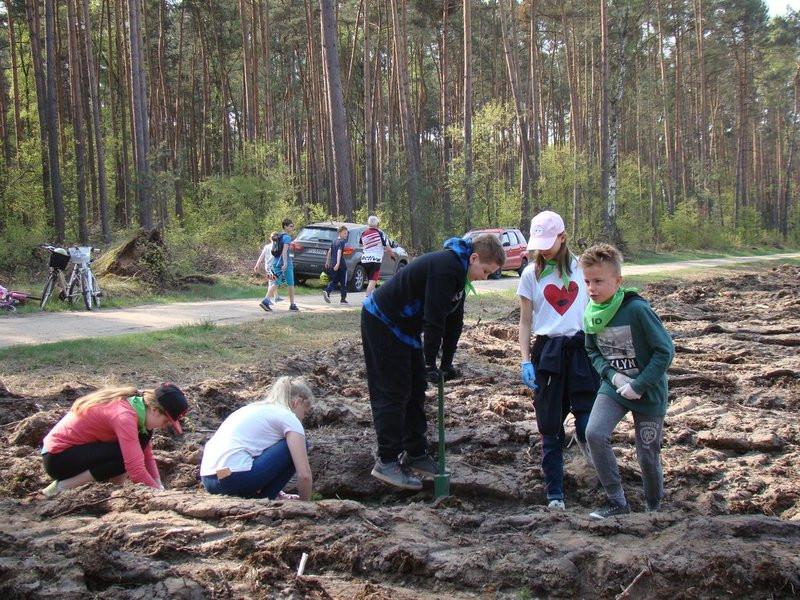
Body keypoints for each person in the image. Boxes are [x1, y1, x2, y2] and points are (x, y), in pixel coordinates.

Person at [361, 233, 505, 490]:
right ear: (474, 258)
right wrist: (429, 362)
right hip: (382, 321)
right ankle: (387, 461)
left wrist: (445, 363)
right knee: (394, 391)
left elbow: (454, 323)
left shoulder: (460, 275)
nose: (486, 277)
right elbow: (434, 318)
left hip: (404, 328)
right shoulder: (446, 268)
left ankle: (415, 453)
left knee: (416, 389)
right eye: (485, 270)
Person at [580, 243, 675, 519]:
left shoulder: (636, 310)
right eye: (587, 281)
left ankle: (654, 507)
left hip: (648, 390)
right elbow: (592, 350)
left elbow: (665, 351)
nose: (591, 288)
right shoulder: (591, 312)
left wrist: (639, 384)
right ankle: (617, 501)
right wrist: (612, 375)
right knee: (594, 433)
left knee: (647, 453)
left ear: (617, 281)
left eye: (598, 281)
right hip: (615, 386)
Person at [517, 210, 599, 511]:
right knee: (549, 428)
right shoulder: (530, 275)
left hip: (580, 351)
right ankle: (554, 493)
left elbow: (597, 309)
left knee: (589, 422)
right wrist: (525, 360)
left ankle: (602, 477)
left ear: (563, 237)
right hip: (547, 354)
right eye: (539, 244)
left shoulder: (583, 269)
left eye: (549, 243)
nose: (543, 249)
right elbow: (526, 322)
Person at [40, 383, 189, 497]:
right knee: (125, 458)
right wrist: (159, 495)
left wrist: (158, 484)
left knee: (135, 448)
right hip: (57, 459)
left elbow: (146, 455)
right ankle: (62, 487)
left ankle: (115, 490)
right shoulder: (125, 417)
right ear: (155, 410)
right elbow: (135, 470)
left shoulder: (138, 409)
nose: (165, 426)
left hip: (72, 453)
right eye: (166, 421)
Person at [200, 376, 314, 500]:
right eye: (304, 413)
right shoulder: (289, 417)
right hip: (233, 480)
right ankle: (267, 498)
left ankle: (272, 495)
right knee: (299, 445)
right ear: (297, 402)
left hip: (209, 480)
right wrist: (305, 504)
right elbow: (304, 475)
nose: (302, 418)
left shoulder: (253, 409)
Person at [261, 218, 299, 312]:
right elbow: (284, 251)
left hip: (275, 262)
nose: (292, 228)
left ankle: (266, 300)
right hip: (285, 263)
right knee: (290, 283)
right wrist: (285, 263)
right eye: (291, 226)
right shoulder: (287, 237)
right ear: (285, 226)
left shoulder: (278, 236)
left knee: (276, 282)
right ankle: (292, 305)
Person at [359, 215, 397, 299]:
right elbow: (388, 248)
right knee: (373, 280)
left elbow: (360, 244)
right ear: (377, 224)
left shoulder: (363, 233)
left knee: (370, 280)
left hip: (365, 260)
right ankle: (366, 298)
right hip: (375, 260)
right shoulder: (380, 233)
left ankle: (373, 298)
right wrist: (393, 255)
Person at [254, 231, 283, 306]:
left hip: (267, 266)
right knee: (272, 282)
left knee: (273, 281)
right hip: (273, 266)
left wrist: (257, 265)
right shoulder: (278, 247)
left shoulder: (267, 246)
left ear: (270, 238)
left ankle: (276, 297)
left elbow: (261, 256)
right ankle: (268, 299)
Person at [323, 225, 349, 304]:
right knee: (343, 282)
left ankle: (327, 291)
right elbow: (339, 252)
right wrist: (338, 263)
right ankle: (343, 299)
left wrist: (327, 262)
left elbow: (329, 251)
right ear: (340, 233)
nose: (346, 235)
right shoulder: (342, 242)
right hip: (341, 265)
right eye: (344, 233)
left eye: (346, 233)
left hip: (332, 264)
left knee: (334, 281)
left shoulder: (334, 241)